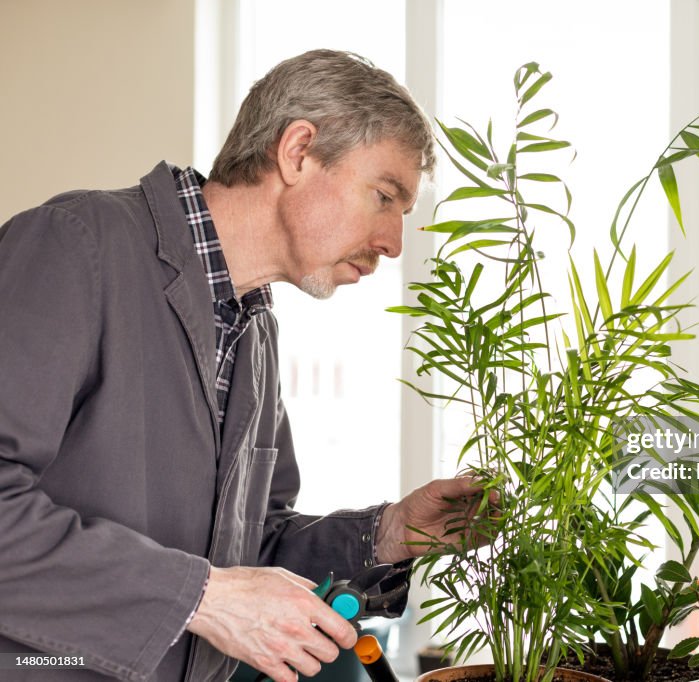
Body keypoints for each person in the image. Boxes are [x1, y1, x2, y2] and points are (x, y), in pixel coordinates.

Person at [0, 49, 479, 682]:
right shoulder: (74, 245)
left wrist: (388, 534)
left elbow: (246, 553)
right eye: (385, 196)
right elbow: (212, 590)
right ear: (298, 151)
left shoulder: (254, 328)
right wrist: (202, 597)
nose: (394, 243)